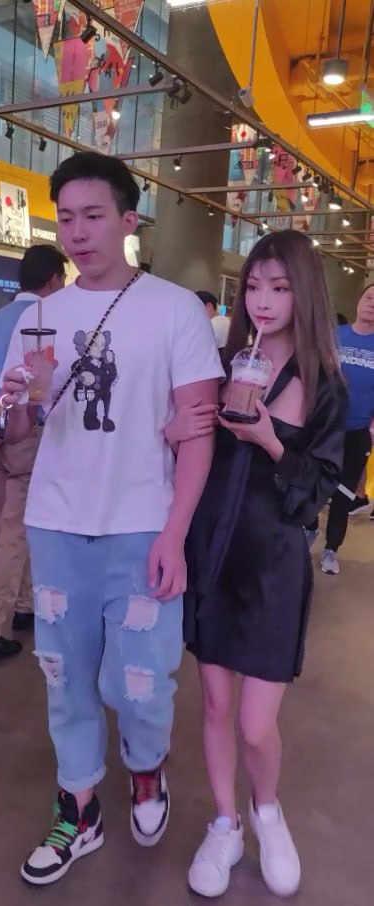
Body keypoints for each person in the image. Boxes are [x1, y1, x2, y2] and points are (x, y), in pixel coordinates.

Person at [0, 151, 223, 885]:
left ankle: (147, 768)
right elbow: (21, 434)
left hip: (143, 524)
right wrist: (19, 402)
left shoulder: (175, 310)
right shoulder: (38, 317)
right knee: (63, 675)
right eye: (66, 218)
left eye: (93, 216)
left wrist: (175, 535)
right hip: (57, 521)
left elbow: (198, 432)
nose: (78, 232)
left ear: (129, 221)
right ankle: (79, 808)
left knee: (142, 680)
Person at [172, 230, 346, 898]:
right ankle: (224, 823)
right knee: (216, 705)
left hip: (273, 564)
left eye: (279, 287)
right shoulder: (222, 363)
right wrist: (175, 429)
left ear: (304, 293)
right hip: (212, 552)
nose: (263, 301)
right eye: (253, 286)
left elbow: (314, 496)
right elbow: (191, 453)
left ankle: (266, 811)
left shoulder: (323, 384)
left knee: (255, 723)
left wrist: (272, 440)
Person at [0, 244, 68, 660]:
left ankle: (25, 605)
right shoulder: (46, 319)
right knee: (17, 534)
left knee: (10, 529)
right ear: (54, 280)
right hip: (29, 434)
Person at [320, 284, 374, 574]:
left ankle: (331, 549)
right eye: (369, 297)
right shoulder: (335, 336)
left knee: (343, 494)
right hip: (325, 427)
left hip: (357, 432)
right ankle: (307, 529)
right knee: (312, 483)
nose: (372, 304)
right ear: (359, 301)